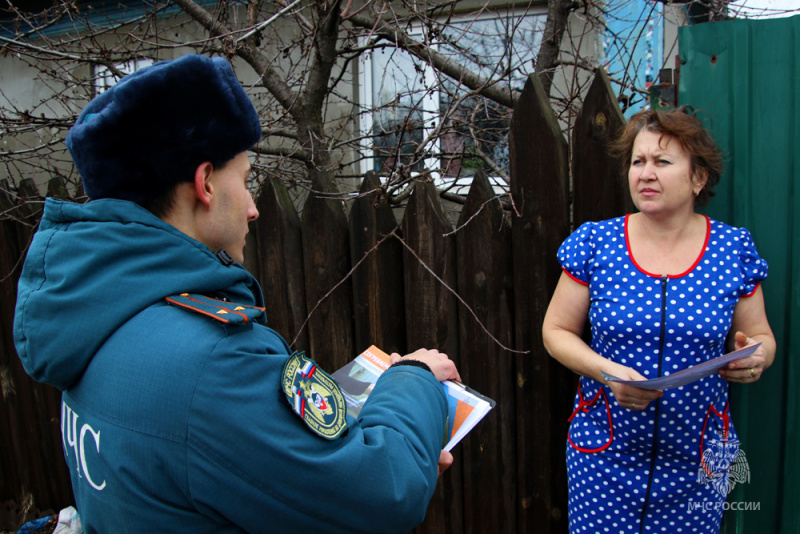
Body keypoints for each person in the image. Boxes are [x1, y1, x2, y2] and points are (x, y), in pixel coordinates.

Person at [13, 54, 460, 533]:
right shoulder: (213, 361)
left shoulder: (97, 315)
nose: (252, 208)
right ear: (204, 183)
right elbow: (383, 489)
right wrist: (413, 380)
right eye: (246, 182)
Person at [542, 108, 776, 533]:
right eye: (638, 162)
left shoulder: (732, 249)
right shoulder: (597, 243)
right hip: (605, 457)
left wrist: (753, 358)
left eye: (662, 162)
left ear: (697, 178)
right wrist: (607, 371)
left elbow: (760, 335)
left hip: (700, 459)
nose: (645, 174)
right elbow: (555, 331)